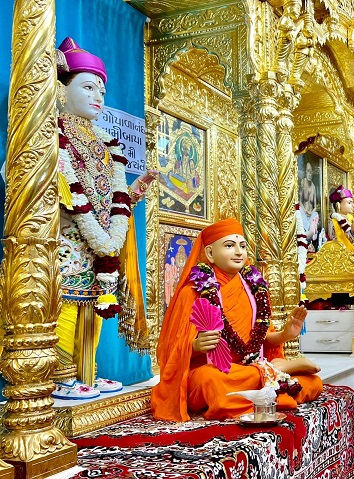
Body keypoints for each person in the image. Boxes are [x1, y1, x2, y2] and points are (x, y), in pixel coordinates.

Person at [53, 38, 157, 400]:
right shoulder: (52, 134)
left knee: (95, 305)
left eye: (102, 89)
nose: (98, 95)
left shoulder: (104, 141)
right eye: (87, 86)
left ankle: (88, 373)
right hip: (66, 236)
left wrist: (133, 195)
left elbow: (108, 197)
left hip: (101, 240)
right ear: (60, 90)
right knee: (66, 303)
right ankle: (61, 377)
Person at [151, 218, 323, 422]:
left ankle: (266, 376)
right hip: (216, 373)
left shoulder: (255, 289)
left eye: (242, 246)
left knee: (314, 382)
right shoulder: (193, 292)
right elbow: (171, 353)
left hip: (246, 369)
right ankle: (273, 375)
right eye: (229, 246)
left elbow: (261, 340)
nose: (238, 252)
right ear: (210, 254)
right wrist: (195, 346)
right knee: (211, 382)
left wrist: (285, 334)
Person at [327, 185, 354, 251]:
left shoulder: (351, 218)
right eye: (349, 202)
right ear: (338, 205)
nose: (353, 205)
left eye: (352, 202)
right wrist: (352, 230)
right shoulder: (334, 221)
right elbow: (340, 241)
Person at [298, 161, 320, 244]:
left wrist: (311, 212)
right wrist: (305, 211)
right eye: (308, 171)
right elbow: (300, 201)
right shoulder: (303, 183)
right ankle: (308, 233)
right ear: (305, 172)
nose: (309, 174)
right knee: (299, 209)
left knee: (316, 214)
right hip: (303, 213)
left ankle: (309, 233)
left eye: (311, 171)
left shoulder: (313, 186)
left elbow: (315, 206)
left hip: (310, 216)